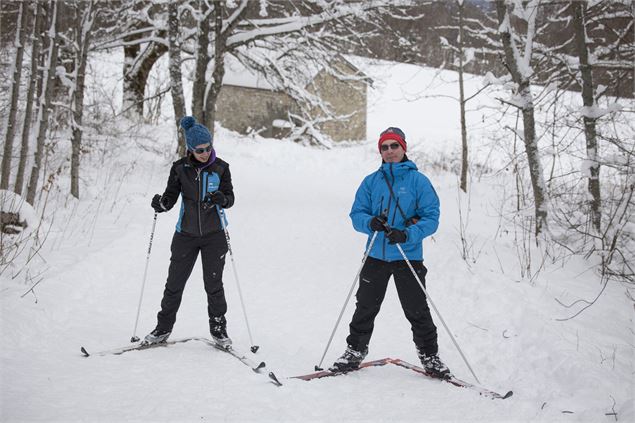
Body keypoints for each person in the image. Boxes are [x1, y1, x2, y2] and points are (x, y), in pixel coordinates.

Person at [329, 127, 450, 378]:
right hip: (375, 254)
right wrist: (370, 223)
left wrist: (407, 235)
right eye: (385, 147)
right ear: (380, 152)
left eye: (394, 146)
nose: (390, 151)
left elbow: (432, 218)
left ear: (404, 148)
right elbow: (356, 215)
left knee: (416, 308)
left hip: (408, 255)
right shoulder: (371, 181)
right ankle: (354, 351)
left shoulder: (419, 181)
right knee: (365, 307)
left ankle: (430, 355)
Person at [144, 116, 234, 348]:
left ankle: (218, 328)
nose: (205, 153)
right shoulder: (179, 169)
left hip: (214, 236)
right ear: (191, 149)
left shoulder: (221, 168)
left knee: (214, 285)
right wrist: (161, 204)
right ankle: (163, 327)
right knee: (174, 283)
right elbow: (170, 197)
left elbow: (230, 198)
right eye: (200, 149)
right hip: (185, 235)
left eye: (208, 148)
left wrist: (222, 199)